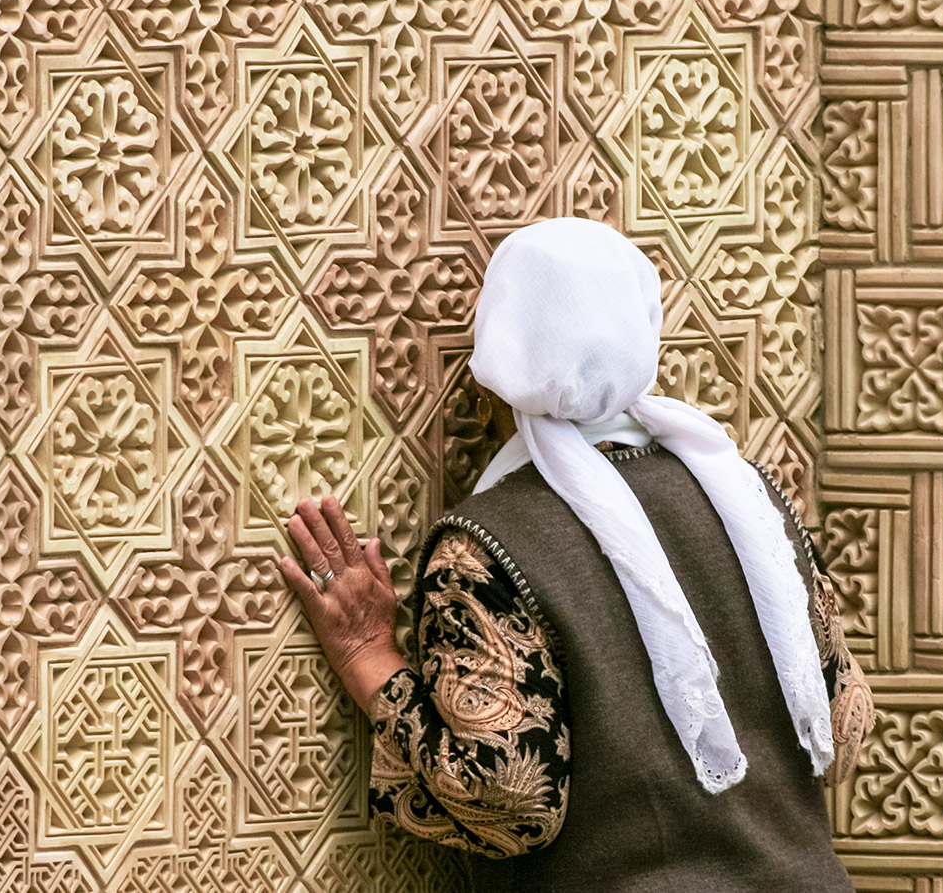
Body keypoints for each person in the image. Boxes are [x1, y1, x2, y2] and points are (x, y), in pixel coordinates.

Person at [279, 217, 876, 891]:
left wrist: (367, 655)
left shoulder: (487, 544)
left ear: (490, 383)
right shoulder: (748, 499)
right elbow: (840, 727)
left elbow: (510, 801)